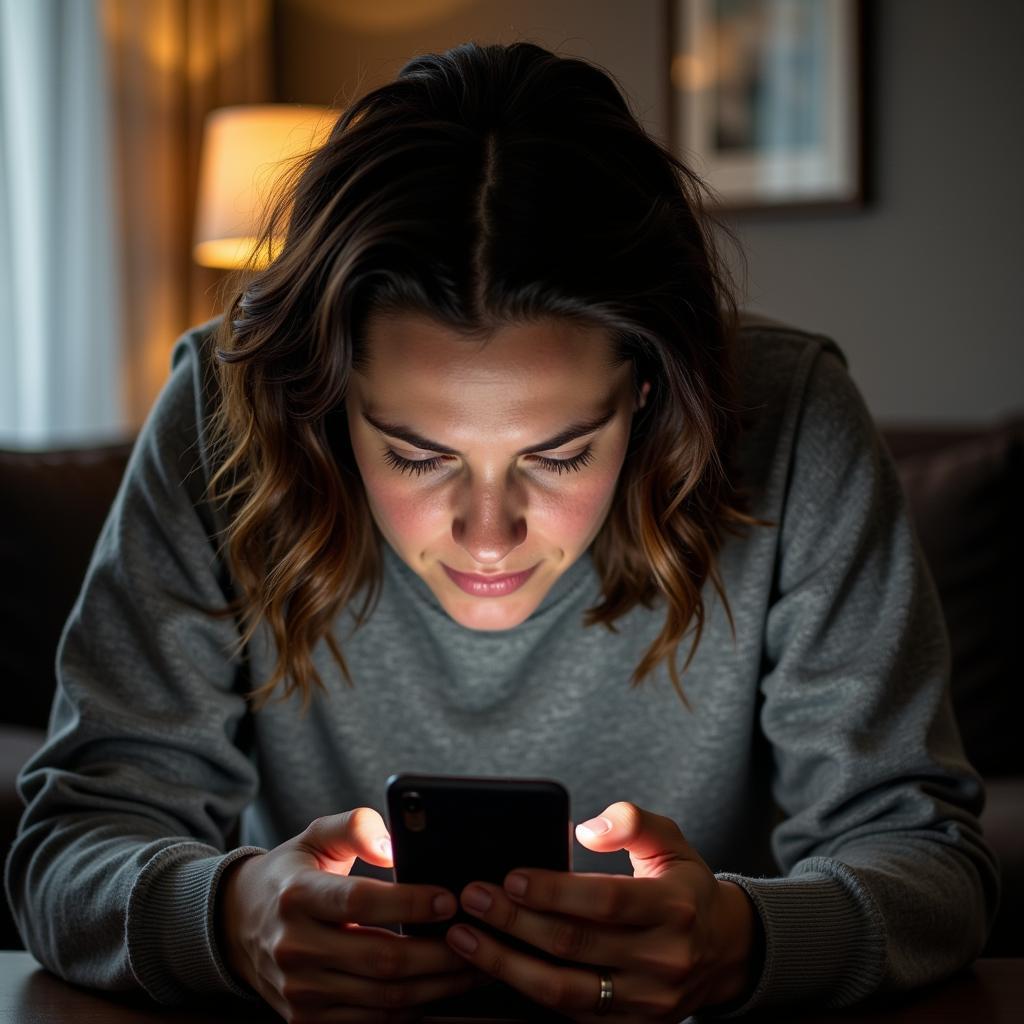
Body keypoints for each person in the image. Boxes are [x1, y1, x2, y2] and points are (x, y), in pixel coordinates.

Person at [4, 39, 999, 1024]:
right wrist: (228, 919)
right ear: (327, 401)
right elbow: (71, 844)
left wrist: (737, 942)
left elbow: (929, 860)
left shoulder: (794, 423)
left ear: (647, 394)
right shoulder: (225, 417)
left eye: (560, 453)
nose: (489, 538)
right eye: (413, 451)